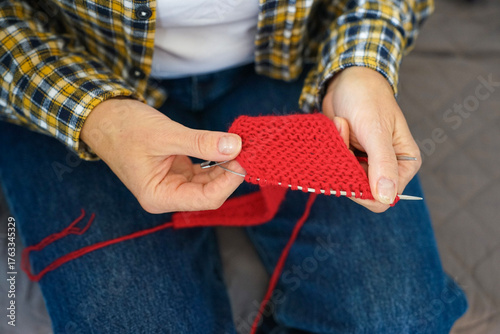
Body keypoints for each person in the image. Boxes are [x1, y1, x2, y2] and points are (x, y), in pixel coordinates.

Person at [0, 0, 467, 333]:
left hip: (290, 66)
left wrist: (361, 68)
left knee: (402, 320)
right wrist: (97, 120)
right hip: (71, 72)